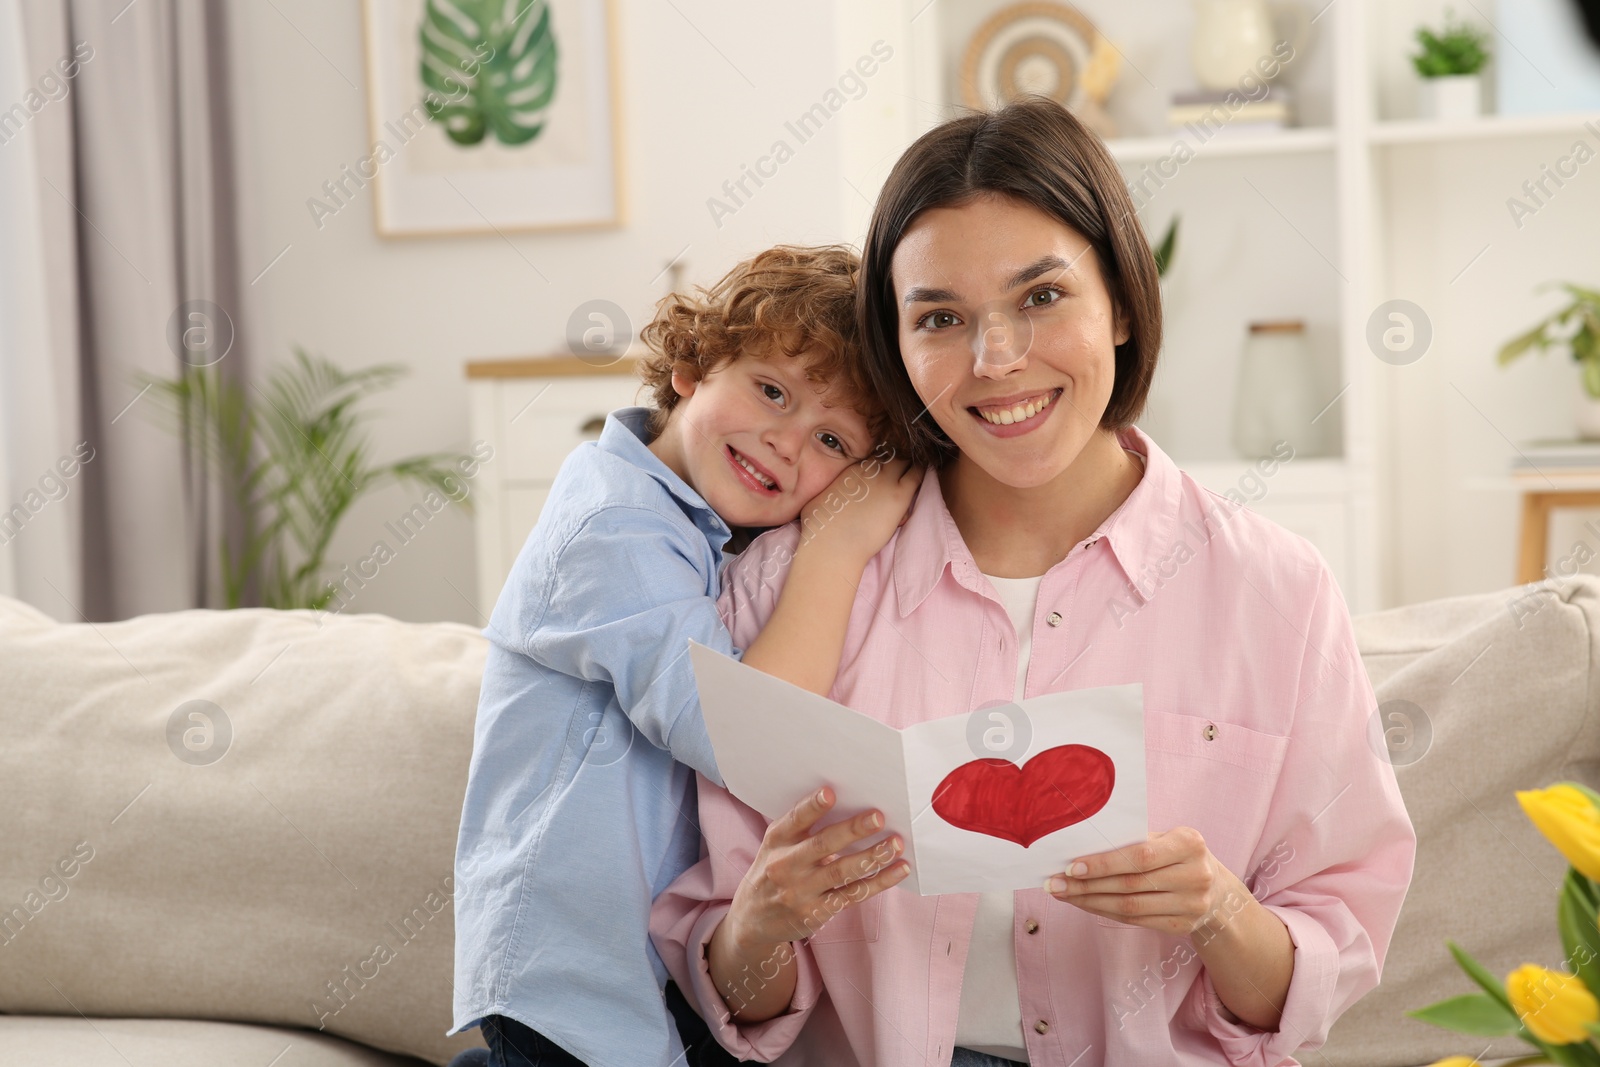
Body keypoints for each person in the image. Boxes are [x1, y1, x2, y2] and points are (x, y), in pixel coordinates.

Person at [651, 98, 1416, 1067]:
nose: (996, 358)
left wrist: (1220, 910)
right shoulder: (786, 583)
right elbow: (729, 985)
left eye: (1042, 297)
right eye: (940, 317)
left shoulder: (1275, 592)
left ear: (1124, 302)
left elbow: (1318, 974)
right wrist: (757, 928)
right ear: (895, 340)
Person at [448, 245, 918, 1067]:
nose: (785, 443)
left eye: (833, 441)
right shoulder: (611, 526)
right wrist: (836, 548)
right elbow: (746, 732)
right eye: (772, 390)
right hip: (571, 985)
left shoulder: (704, 539)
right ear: (694, 367)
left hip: (649, 987)